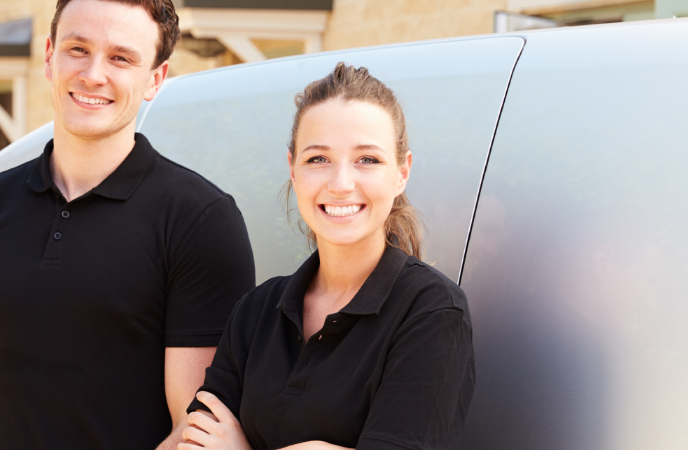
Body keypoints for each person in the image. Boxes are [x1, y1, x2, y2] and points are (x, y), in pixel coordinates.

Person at [0, 0, 256, 448]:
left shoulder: (201, 220)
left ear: (155, 78)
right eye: (78, 49)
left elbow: (194, 430)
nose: (94, 74)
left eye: (121, 58)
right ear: (49, 56)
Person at [179, 63, 476, 450]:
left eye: (367, 159)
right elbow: (198, 441)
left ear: (401, 172)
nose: (341, 184)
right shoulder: (256, 310)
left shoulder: (432, 312)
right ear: (293, 170)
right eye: (318, 159)